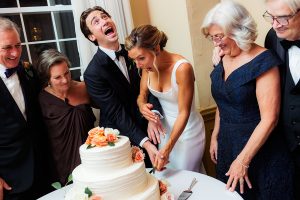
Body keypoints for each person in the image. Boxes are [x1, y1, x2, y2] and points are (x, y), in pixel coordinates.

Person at [201, 1, 294, 199]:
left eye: (218, 36)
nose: (215, 43)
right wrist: (216, 135)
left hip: (259, 152)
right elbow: (223, 98)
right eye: (212, 37)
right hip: (228, 145)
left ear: (236, 30)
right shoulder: (222, 55)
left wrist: (243, 161)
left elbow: (270, 118)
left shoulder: (264, 61)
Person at [80, 6, 162, 167]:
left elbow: (153, 84)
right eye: (96, 21)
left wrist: (153, 116)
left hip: (154, 129)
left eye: (105, 17)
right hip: (122, 139)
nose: (104, 21)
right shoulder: (93, 73)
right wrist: (145, 142)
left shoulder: (135, 52)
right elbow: (117, 113)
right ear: (91, 36)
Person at [125, 25, 206, 172]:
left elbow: (184, 113)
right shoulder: (146, 68)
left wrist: (168, 147)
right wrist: (143, 107)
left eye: (141, 58)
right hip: (164, 130)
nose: (138, 64)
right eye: (134, 60)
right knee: (167, 177)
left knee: (186, 177)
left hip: (188, 131)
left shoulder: (182, 68)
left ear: (156, 48)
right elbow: (141, 96)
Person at [0, 17, 51, 200]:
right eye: (7, 47)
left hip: (43, 170)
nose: (15, 53)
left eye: (18, 45)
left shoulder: (28, 70)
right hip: (11, 178)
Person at [34, 49, 96, 185]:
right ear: (47, 80)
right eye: (57, 77)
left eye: (67, 73)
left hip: (91, 158)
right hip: (60, 165)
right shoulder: (41, 100)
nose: (65, 80)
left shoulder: (84, 88)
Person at [264, 0, 300, 199]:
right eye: (271, 16)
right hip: (287, 148)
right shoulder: (273, 38)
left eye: (283, 18)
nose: (275, 24)